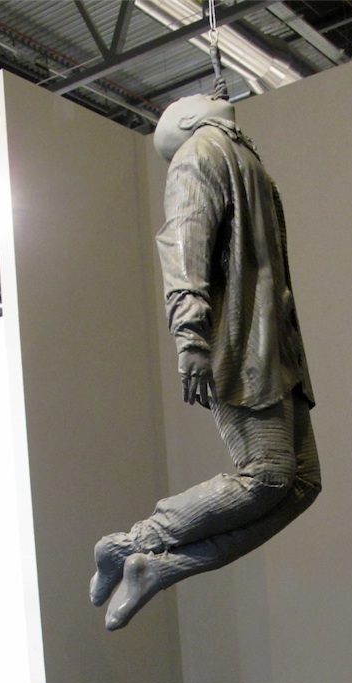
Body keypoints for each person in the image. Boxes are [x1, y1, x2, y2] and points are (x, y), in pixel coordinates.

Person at [90, 92, 322, 630]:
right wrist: (189, 335)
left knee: (302, 482)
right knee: (269, 475)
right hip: (241, 341)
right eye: (204, 97)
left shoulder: (245, 160)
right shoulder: (199, 154)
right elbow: (184, 243)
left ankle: (156, 569)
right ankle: (128, 546)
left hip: (276, 344)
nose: (217, 94)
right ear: (188, 119)